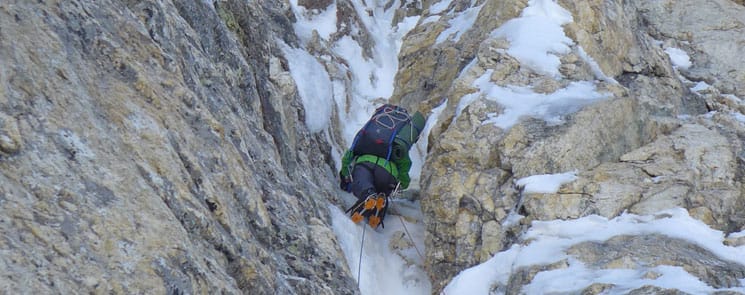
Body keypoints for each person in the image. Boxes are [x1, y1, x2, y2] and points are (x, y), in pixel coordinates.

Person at [339, 104, 425, 228]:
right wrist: (400, 184)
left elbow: (348, 157)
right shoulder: (397, 142)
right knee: (382, 191)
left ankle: (368, 195)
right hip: (388, 175)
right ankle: (379, 206)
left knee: (363, 184)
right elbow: (405, 168)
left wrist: (345, 175)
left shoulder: (368, 133)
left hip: (365, 165)